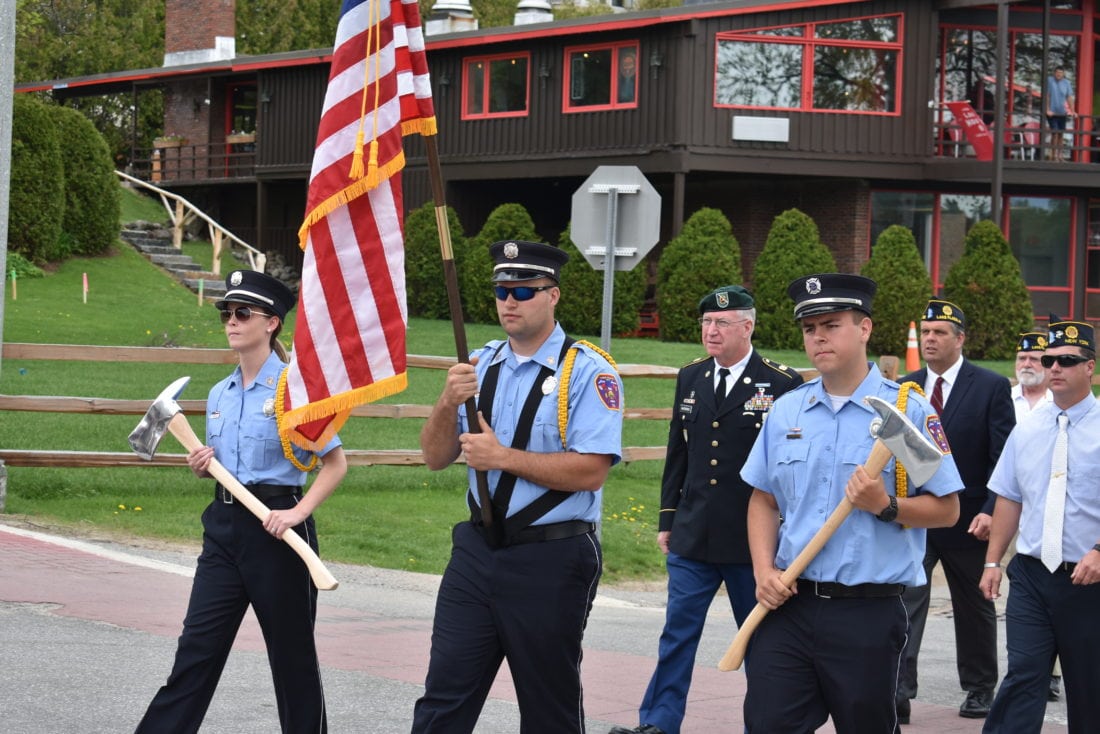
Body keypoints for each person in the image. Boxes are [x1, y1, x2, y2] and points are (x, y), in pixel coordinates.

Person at [412, 240, 623, 733]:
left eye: (524, 290)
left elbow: (592, 469)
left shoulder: (587, 370)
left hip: (551, 556)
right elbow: (433, 456)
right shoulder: (479, 364)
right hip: (477, 552)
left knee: (548, 705)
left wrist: (502, 458)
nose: (510, 301)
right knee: (443, 697)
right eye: (502, 290)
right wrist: (446, 402)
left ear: (553, 296)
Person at [741, 273, 963, 734]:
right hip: (789, 606)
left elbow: (947, 509)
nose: (818, 337)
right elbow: (762, 499)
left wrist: (886, 505)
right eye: (809, 328)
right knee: (766, 724)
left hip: (866, 612)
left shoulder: (907, 410)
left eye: (832, 324)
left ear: (864, 328)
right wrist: (764, 571)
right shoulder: (788, 410)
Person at [135, 269, 347, 734]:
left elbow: (335, 463)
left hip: (280, 533)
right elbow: (224, 467)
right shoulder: (218, 395)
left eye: (243, 313)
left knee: (292, 663)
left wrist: (298, 512)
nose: (232, 320)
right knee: (196, 652)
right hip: (224, 530)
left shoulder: (297, 392)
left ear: (271, 323)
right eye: (227, 313)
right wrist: (201, 462)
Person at [610, 286, 803, 734]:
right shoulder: (692, 376)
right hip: (693, 533)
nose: (711, 332)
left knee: (760, 639)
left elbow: (790, 469)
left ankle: (770, 723)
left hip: (750, 540)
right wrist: (667, 518)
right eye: (706, 324)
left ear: (748, 327)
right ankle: (658, 723)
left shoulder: (781, 382)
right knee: (677, 634)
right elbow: (679, 452)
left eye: (721, 323)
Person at [896, 299, 1014, 723]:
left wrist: (989, 510)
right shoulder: (905, 388)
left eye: (939, 332)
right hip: (915, 518)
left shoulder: (990, 386)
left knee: (973, 605)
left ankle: (980, 687)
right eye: (925, 331)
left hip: (969, 520)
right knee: (905, 602)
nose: (929, 338)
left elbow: (1004, 458)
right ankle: (899, 692)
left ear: (960, 339)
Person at [980, 318, 1100, 734]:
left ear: (1090, 368)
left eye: (1068, 360)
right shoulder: (1027, 427)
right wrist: (993, 561)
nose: (1055, 368)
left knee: (1088, 686)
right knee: (1024, 674)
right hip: (1031, 574)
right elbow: (1010, 497)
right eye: (1049, 360)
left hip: (1088, 580)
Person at [1012, 331, 1053, 421]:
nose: (1026, 365)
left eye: (1034, 359)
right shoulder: (1005, 398)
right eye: (1022, 358)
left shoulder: (1060, 401)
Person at [1045, 66, 1075, 161]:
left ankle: (1060, 155)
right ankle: (1053, 156)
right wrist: (1047, 109)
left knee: (1061, 134)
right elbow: (1047, 96)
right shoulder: (1050, 80)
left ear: (1063, 74)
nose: (1059, 74)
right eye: (1057, 72)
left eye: (1061, 72)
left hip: (1062, 112)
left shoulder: (1067, 83)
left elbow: (1069, 97)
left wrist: (1072, 111)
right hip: (1052, 112)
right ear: (1054, 73)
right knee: (1055, 133)